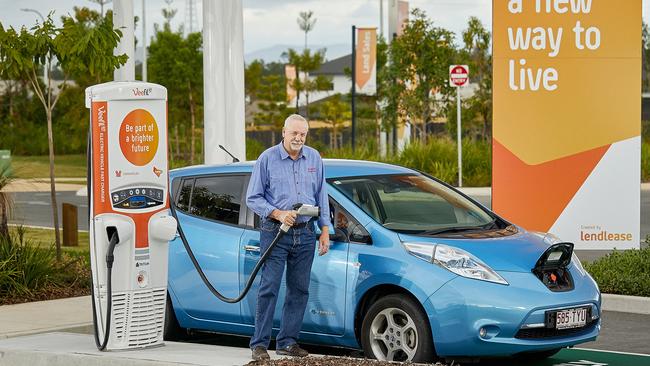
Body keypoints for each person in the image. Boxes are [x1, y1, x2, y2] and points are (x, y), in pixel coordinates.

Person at [246, 114, 331, 361]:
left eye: (303, 134)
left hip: (306, 233)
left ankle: (287, 342)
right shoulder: (267, 159)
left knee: (299, 289)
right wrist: (278, 213)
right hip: (275, 231)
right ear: (283, 132)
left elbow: (321, 194)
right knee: (269, 288)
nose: (298, 138)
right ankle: (259, 345)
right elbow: (253, 197)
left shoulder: (314, 157)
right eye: (294, 133)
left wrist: (325, 230)